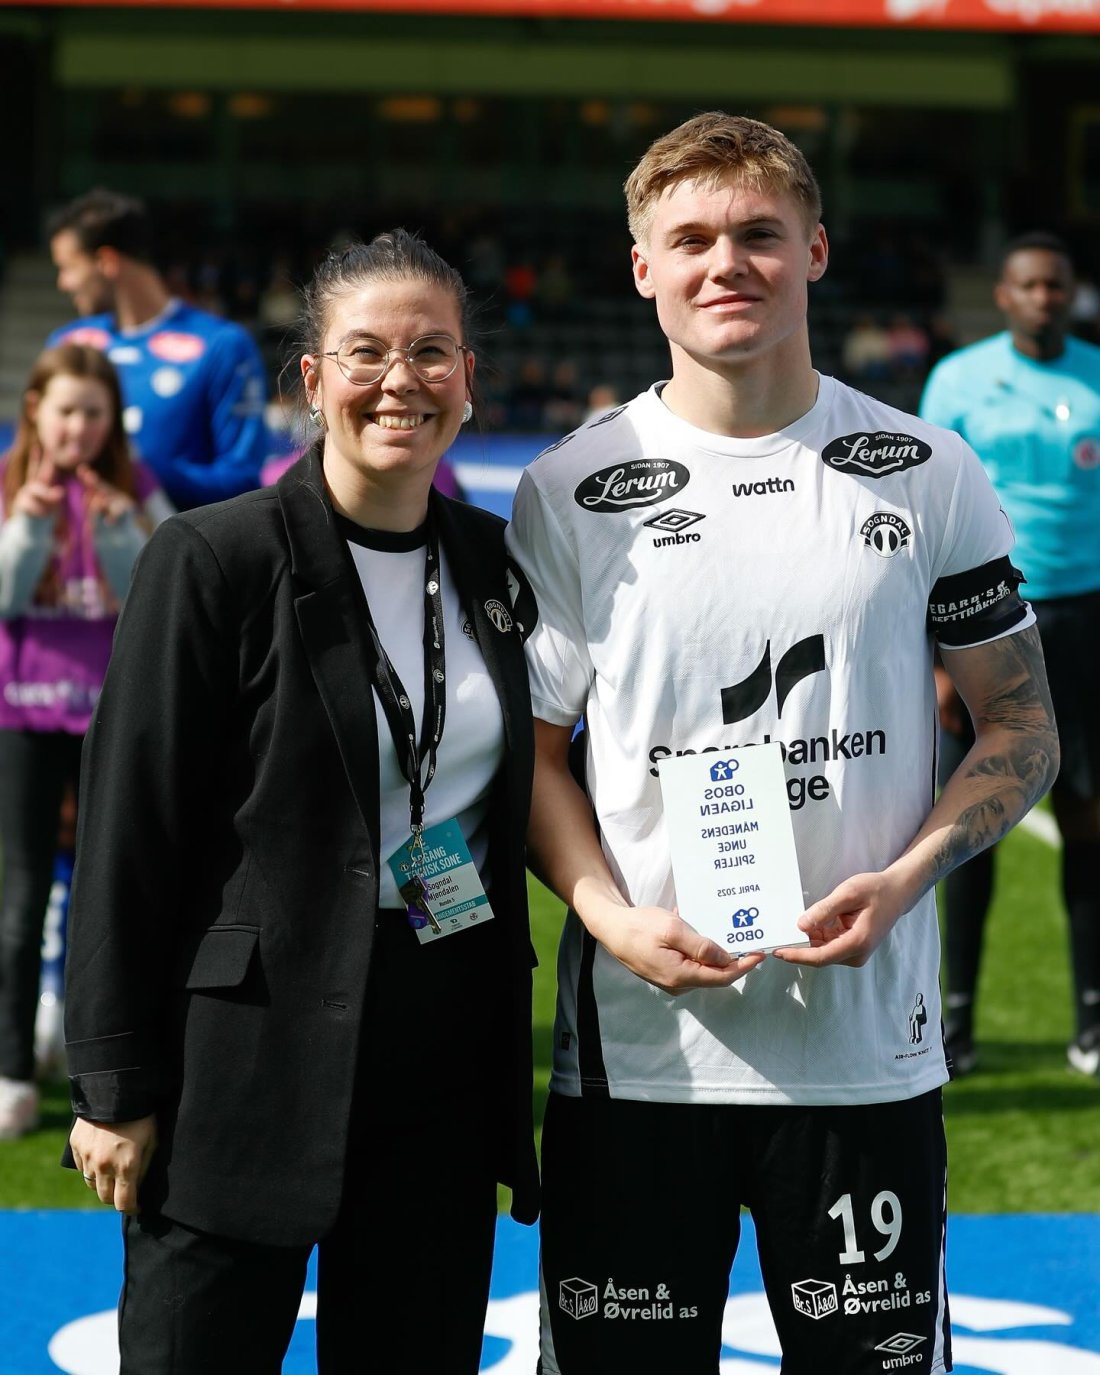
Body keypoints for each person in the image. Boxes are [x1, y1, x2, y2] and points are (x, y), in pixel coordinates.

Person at [506, 112, 1058, 1375]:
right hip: (641, 1063)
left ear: (813, 250)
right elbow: (533, 756)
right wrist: (605, 915)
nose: (725, 264)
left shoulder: (926, 469)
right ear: (641, 267)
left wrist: (903, 877)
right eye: (689, 239)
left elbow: (1019, 723)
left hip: (863, 1058)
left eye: (758, 233)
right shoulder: (569, 488)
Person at [63, 230, 539, 1374]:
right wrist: (113, 1085)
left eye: (431, 351)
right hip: (238, 1058)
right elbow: (130, 832)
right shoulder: (212, 557)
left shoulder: (498, 561)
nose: (400, 380)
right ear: (313, 380)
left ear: (468, 377)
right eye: (365, 352)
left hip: (439, 1052)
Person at [920, 232, 1100, 1077]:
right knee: (969, 820)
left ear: (1072, 293)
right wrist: (933, 656)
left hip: (1088, 618)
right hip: (984, 621)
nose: (1043, 298)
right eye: (1029, 285)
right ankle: (956, 1023)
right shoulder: (958, 380)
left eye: (1056, 286)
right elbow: (926, 516)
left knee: (1088, 821)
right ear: (1003, 294)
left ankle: (1091, 1018)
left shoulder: (1096, 373)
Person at [0, 343, 171, 1140]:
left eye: (94, 413)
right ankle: (11, 1069)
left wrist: (118, 532)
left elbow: (154, 597)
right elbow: (6, 598)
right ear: (37, 409)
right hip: (22, 712)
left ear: (112, 421)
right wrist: (30, 523)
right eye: (66, 410)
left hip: (113, 712)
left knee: (113, 893)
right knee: (22, 895)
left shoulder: (136, 485)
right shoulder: (9, 480)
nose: (79, 428)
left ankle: (103, 1064)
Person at [47, 189, 268, 510]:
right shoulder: (69, 344)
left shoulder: (222, 345)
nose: (62, 283)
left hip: (174, 538)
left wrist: (143, 473)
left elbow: (243, 483)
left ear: (106, 261)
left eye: (68, 268)